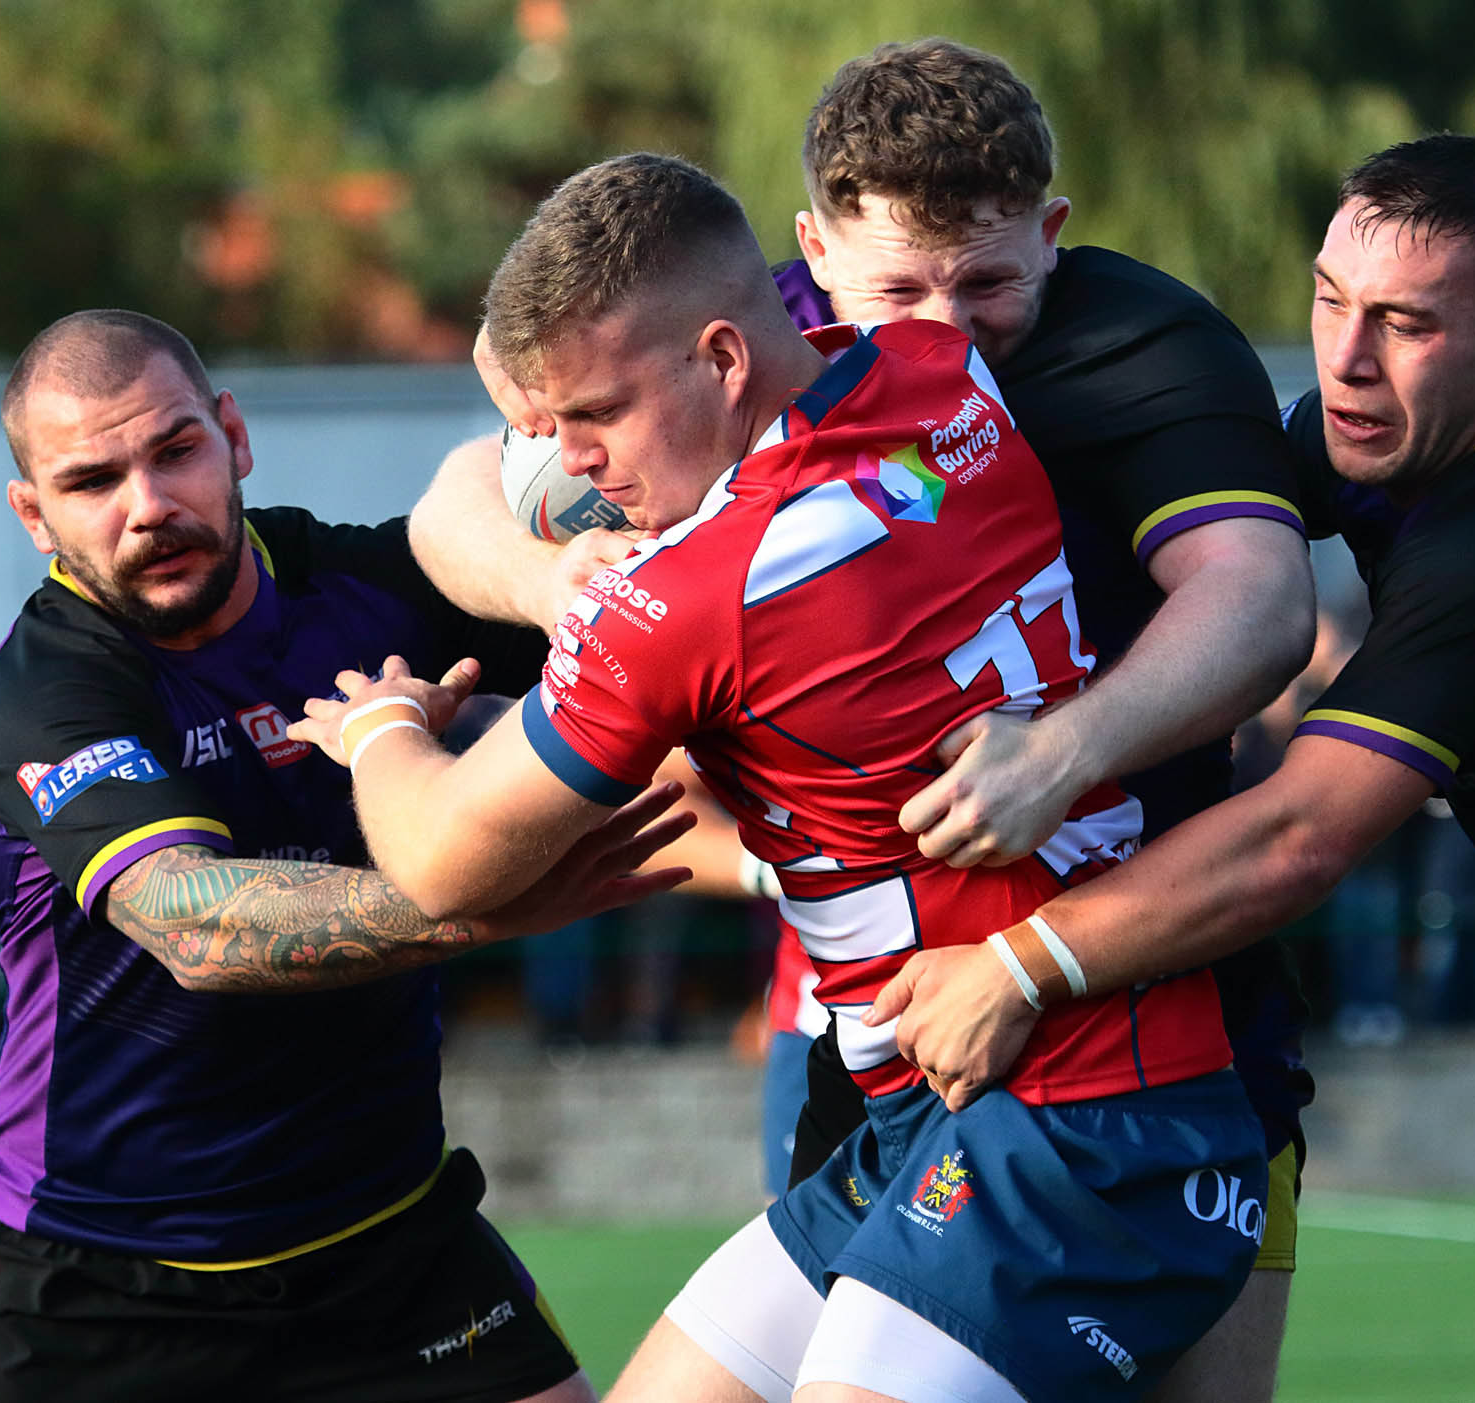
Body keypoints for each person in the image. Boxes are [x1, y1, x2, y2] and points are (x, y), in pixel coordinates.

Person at [411, 39, 1319, 1397]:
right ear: (812, 260)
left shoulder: (1143, 343)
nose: (944, 332)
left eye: (991, 283)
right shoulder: (760, 356)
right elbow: (477, 464)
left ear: (1052, 234)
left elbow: (1258, 598)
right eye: (900, 286)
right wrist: (556, 580)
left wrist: (1065, 746)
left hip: (1141, 1003)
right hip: (883, 1031)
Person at [871, 134, 1475, 1403]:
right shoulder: (1384, 442)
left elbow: (1300, 836)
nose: (1346, 356)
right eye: (1330, 300)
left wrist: (1017, 964)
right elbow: (1107, 479)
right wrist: (862, 503)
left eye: (1406, 323)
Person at [0, 308, 691, 1401]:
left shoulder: (347, 586)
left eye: (175, 450)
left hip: (386, 1239)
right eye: (94, 482)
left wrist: (541, 582)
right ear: (33, 513)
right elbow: (198, 922)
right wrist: (477, 907)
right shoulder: (49, 692)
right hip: (100, 1282)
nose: (150, 506)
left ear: (233, 436)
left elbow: (478, 486)